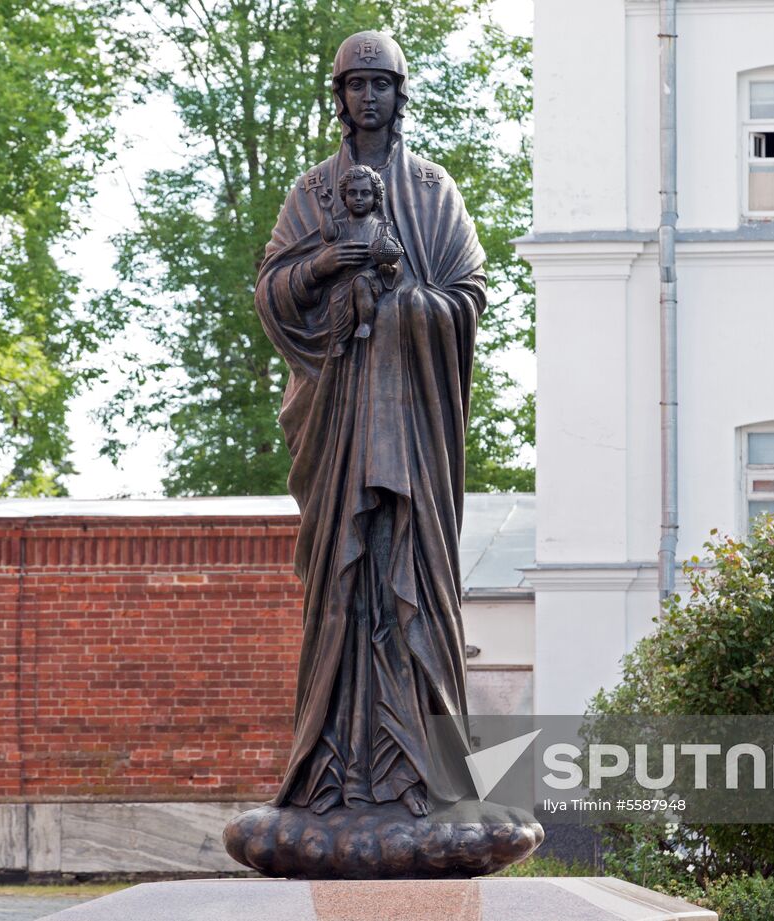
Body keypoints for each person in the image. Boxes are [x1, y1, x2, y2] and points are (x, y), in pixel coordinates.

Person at [254, 30, 487, 818]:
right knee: (345, 588)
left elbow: (466, 294)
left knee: (407, 580)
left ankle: (419, 771)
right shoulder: (310, 195)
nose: (369, 97)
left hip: (411, 432)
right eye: (355, 85)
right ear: (340, 98)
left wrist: (399, 305)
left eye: (381, 83)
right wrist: (330, 265)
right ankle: (335, 770)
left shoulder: (433, 190)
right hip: (342, 421)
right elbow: (273, 290)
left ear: (400, 94)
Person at [319, 164, 404, 356]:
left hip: (370, 275)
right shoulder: (341, 226)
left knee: (361, 283)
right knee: (336, 299)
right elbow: (329, 235)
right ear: (344, 196)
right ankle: (340, 340)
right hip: (344, 278)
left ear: (375, 198)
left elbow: (391, 252)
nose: (358, 198)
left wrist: (388, 267)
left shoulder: (379, 226)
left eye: (365, 193)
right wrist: (326, 211)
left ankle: (366, 323)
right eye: (352, 193)